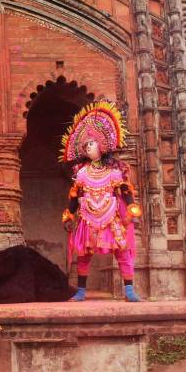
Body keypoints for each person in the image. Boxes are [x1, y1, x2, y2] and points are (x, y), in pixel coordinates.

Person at [59, 101, 143, 302]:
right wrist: (69, 213)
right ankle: (80, 291)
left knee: (122, 251)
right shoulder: (81, 173)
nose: (88, 148)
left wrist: (131, 206)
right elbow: (75, 196)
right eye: (85, 146)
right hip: (88, 218)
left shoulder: (115, 171)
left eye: (91, 144)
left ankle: (129, 290)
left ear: (102, 144)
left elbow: (124, 191)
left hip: (111, 217)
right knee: (84, 254)